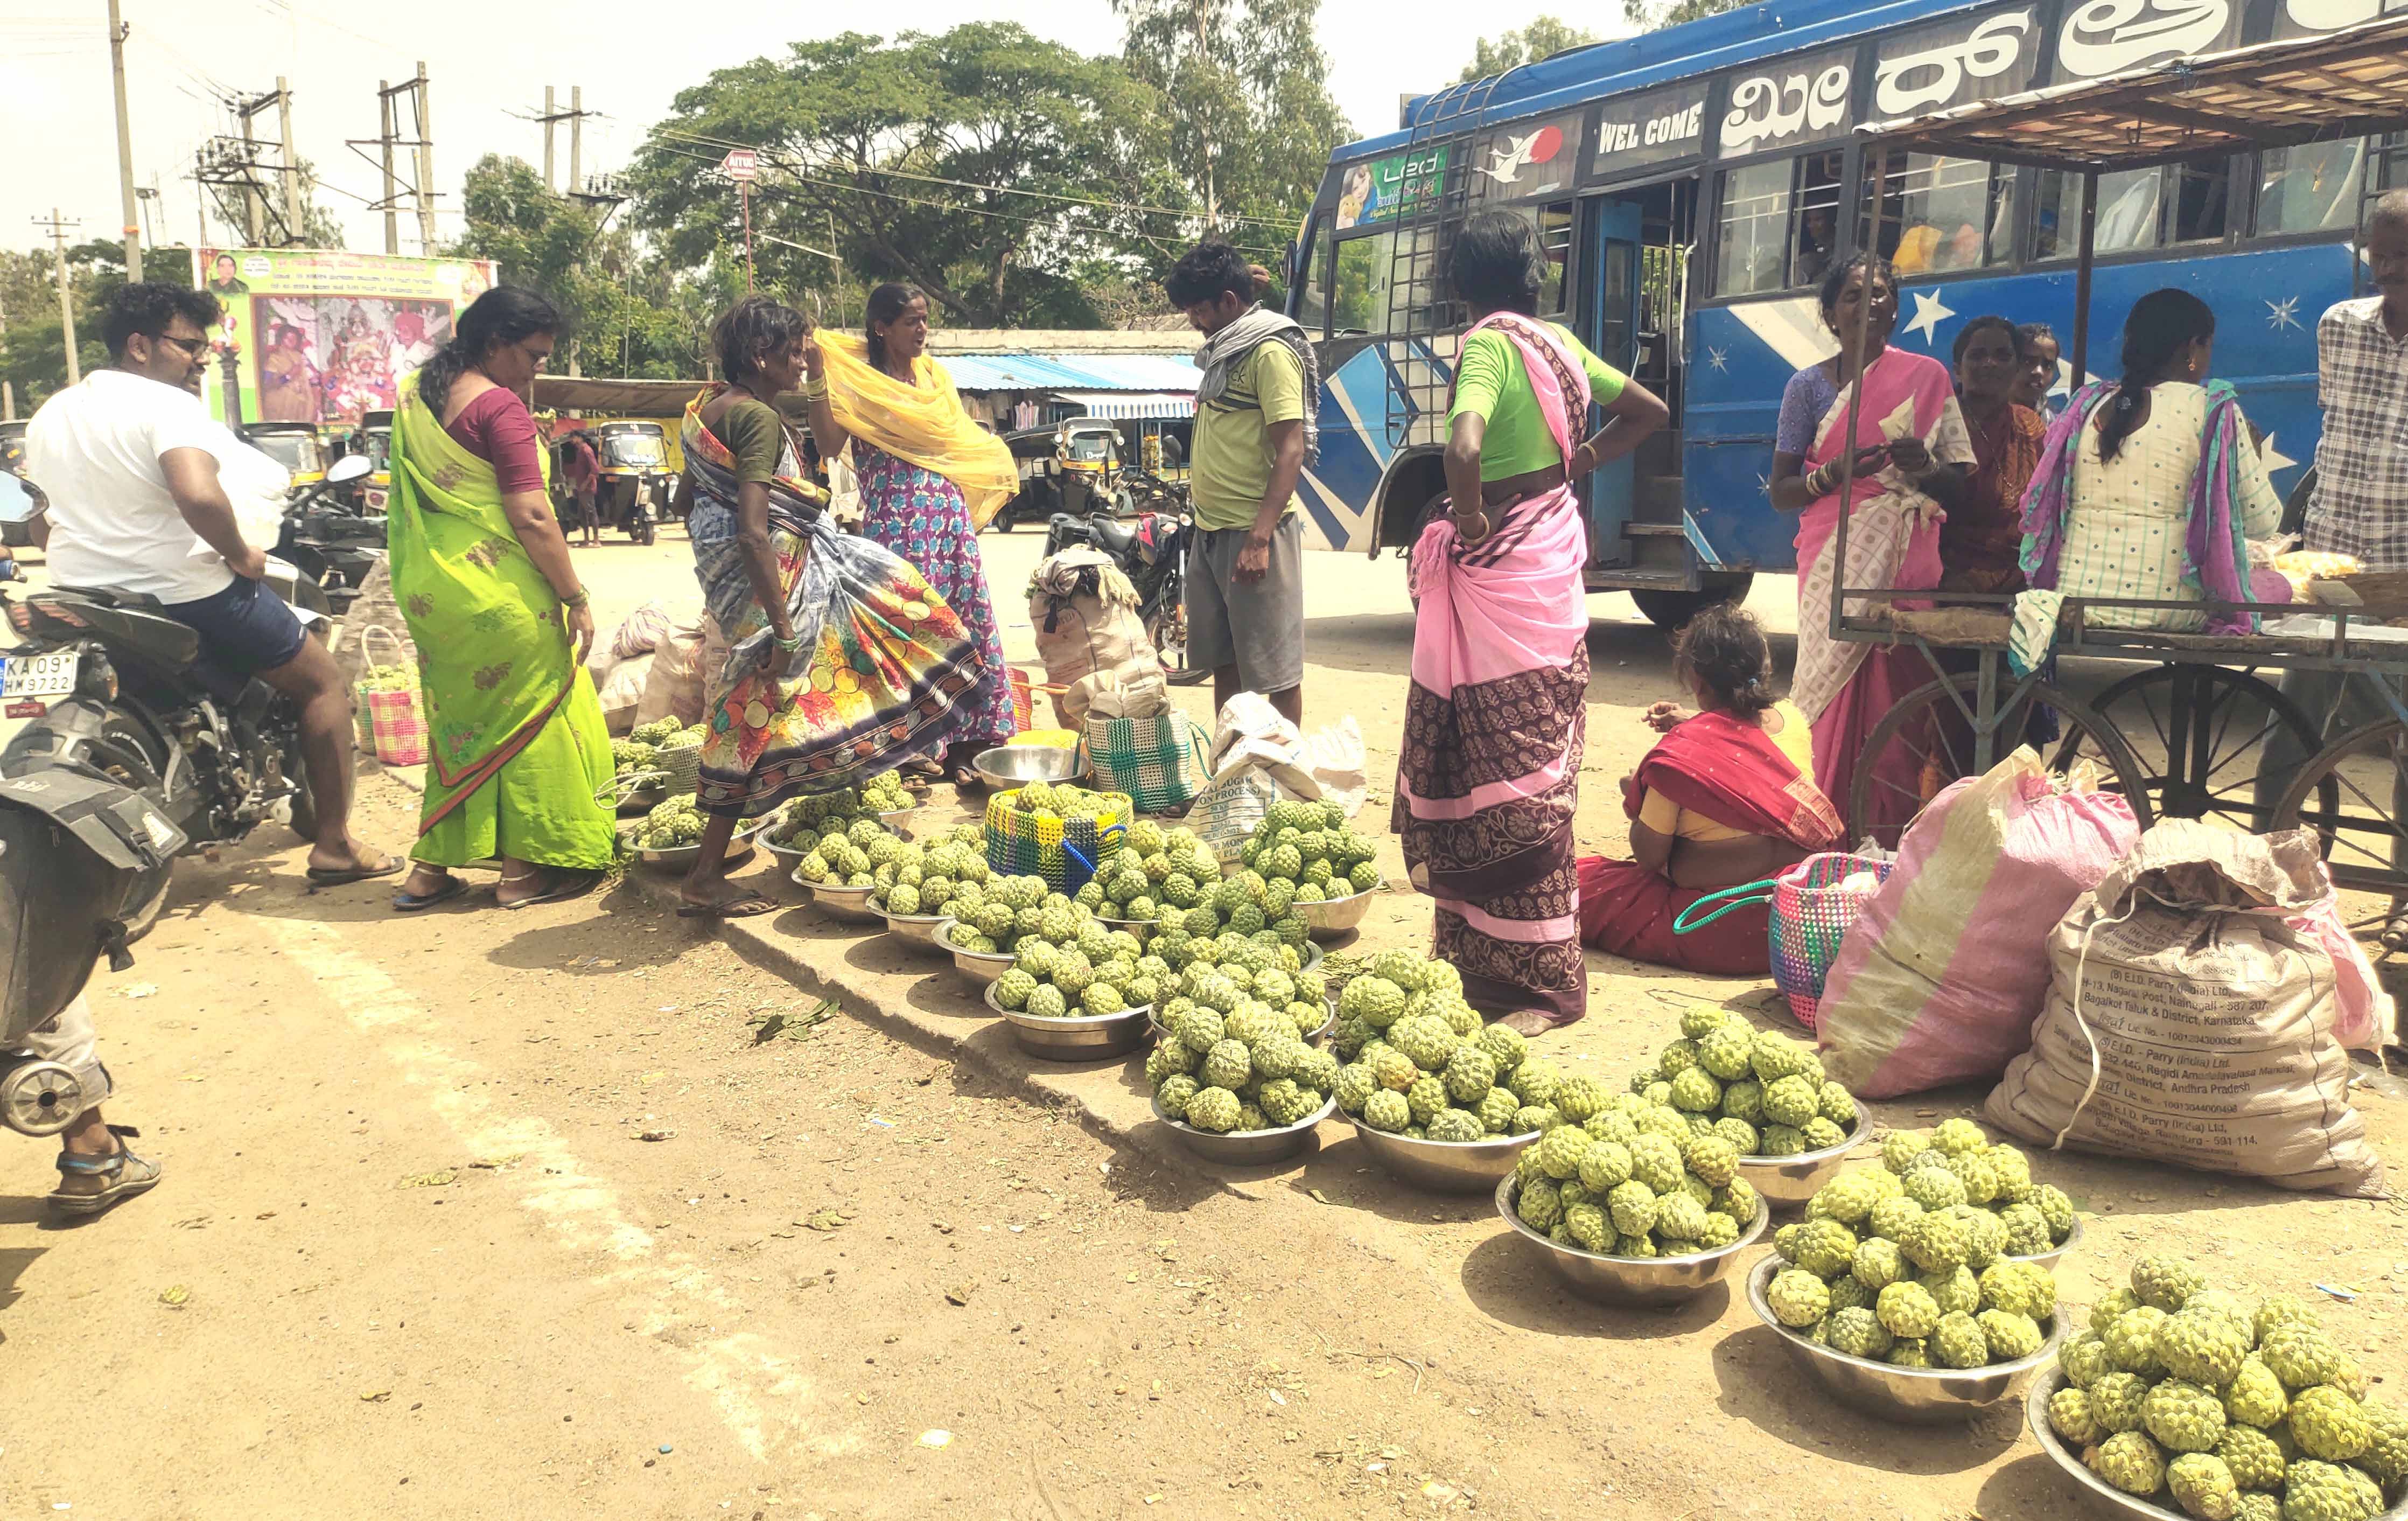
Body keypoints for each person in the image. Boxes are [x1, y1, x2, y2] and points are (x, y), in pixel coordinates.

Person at [1394, 211, 1668, 1033]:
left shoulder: (1485, 346)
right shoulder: (1559, 347)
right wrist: (1579, 462)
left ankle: (1545, 985)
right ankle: (1483, 970)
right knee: (1532, 777)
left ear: (1458, 283)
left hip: (1500, 564)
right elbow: (1648, 411)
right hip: (1548, 562)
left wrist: (1471, 521)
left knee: (1495, 780)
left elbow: (1464, 449)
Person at [24, 282, 393, 887]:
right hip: (182, 590)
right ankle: (335, 845)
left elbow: (38, 513)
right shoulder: (165, 405)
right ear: (139, 345)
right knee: (323, 683)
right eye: (188, 345)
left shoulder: (53, 412)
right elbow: (197, 492)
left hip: (82, 593)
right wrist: (241, 553)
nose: (199, 358)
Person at [680, 295, 987, 916]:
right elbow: (752, 528)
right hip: (769, 583)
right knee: (756, 709)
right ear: (761, 357)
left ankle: (839, 773)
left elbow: (689, 494)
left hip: (735, 580)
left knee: (767, 706)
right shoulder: (761, 421)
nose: (801, 364)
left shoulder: (705, 408)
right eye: (793, 354)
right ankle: (705, 875)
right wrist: (782, 625)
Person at [386, 287, 615, 912]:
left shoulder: (414, 398)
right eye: (534, 356)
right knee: (532, 717)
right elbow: (533, 514)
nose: (539, 369)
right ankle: (522, 875)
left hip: (437, 594)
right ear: (495, 344)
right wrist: (575, 595)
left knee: (461, 727)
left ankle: (429, 872)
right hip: (501, 592)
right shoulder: (500, 410)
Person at [1768, 253, 1971, 836]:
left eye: (1880, 294)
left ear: (1896, 309)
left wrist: (1925, 465)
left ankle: (1890, 829)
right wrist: (1830, 475)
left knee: (1896, 687)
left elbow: (1958, 481)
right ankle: (1823, 821)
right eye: (1853, 295)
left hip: (1903, 556)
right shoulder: (1805, 388)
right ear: (1830, 314)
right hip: (1830, 549)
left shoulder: (1927, 376)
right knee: (1827, 693)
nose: (1868, 304)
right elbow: (1781, 491)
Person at [798, 283, 1020, 789]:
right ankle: (911, 749)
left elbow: (955, 440)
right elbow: (831, 445)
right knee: (905, 633)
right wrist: (817, 379)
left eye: (925, 320)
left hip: (947, 518)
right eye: (911, 322)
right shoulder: (856, 381)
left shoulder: (935, 379)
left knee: (962, 624)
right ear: (881, 328)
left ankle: (967, 744)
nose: (922, 330)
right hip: (896, 521)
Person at [2259, 190, 2408, 938]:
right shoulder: (2337, 327)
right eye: (2383, 250)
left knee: (2404, 732)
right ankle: (2265, 871)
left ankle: (2404, 895)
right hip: (2333, 563)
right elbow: (2336, 433)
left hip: (2404, 578)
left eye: (2406, 250)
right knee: (2296, 722)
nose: (2392, 266)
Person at [1578, 604, 1843, 975]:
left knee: (1575, 885)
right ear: (1762, 669)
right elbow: (1745, 736)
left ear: (1697, 682)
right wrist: (1693, 722)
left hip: (1715, 926)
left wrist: (1638, 800)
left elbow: (1649, 858)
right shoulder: (1792, 717)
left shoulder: (1680, 760)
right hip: (1796, 925)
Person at [2015, 289, 2284, 653]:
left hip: (2073, 600)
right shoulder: (2210, 408)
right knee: (2277, 585)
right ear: (2193, 348)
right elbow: (2264, 522)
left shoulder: (2089, 402)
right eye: (2208, 348)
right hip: (2168, 610)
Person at [1170, 242, 1317, 728]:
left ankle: (1285, 778)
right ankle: (1231, 776)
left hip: (1255, 535)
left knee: (1276, 675)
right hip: (1211, 533)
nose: (1194, 320)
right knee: (1225, 666)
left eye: (1199, 309)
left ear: (1230, 302)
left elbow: (1291, 448)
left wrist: (1259, 538)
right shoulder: (1225, 347)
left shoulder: (1270, 353)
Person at [1940, 315, 2047, 595]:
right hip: (1945, 579)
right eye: (1977, 355)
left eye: (2003, 355)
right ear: (1958, 370)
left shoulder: (2030, 425)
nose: (1990, 364)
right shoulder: (1938, 422)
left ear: (2016, 368)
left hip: (2019, 582)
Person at [563, 429, 601, 547]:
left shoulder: (587, 451)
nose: (572, 440)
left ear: (579, 438)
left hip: (587, 488)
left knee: (591, 512)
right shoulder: (579, 451)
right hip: (581, 488)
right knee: (582, 514)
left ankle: (596, 540)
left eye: (573, 438)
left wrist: (586, 483)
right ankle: (586, 540)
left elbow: (595, 470)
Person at [2014, 322, 2062, 416]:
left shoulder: (2055, 426)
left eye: (2048, 366)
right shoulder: (1980, 419)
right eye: (2028, 362)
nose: (2039, 372)